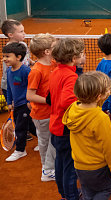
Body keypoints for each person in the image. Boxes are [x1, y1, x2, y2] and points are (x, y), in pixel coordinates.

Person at [63, 72, 111, 200]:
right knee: (107, 188)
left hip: (79, 166)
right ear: (99, 96)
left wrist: (101, 98)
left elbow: (93, 107)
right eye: (107, 91)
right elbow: (109, 147)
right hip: (98, 167)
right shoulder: (101, 119)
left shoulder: (73, 109)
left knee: (87, 191)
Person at [49, 38, 85, 200]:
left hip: (55, 125)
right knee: (70, 167)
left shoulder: (56, 71)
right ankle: (71, 196)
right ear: (73, 59)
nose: (84, 56)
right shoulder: (71, 77)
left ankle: (64, 194)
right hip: (65, 129)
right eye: (81, 54)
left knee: (60, 164)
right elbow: (67, 101)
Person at [27, 33, 57, 181]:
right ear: (47, 51)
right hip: (42, 115)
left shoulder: (53, 64)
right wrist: (48, 100)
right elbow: (30, 95)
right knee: (46, 142)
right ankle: (47, 170)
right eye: (53, 46)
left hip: (52, 113)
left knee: (52, 142)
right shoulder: (36, 71)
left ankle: (49, 166)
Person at [3, 42, 35, 162]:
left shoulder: (26, 71)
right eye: (4, 56)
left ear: (18, 57)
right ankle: (45, 142)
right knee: (30, 125)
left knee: (20, 127)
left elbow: (31, 86)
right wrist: (9, 101)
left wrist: (29, 101)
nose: (4, 59)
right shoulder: (9, 71)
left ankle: (20, 150)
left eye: (7, 56)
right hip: (16, 104)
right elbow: (10, 87)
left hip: (25, 104)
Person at [1, 19, 30, 99]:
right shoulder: (8, 51)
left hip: (23, 81)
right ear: (10, 35)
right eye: (21, 32)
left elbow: (26, 58)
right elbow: (8, 71)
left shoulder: (23, 44)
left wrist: (32, 62)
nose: (24, 33)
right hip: (12, 85)